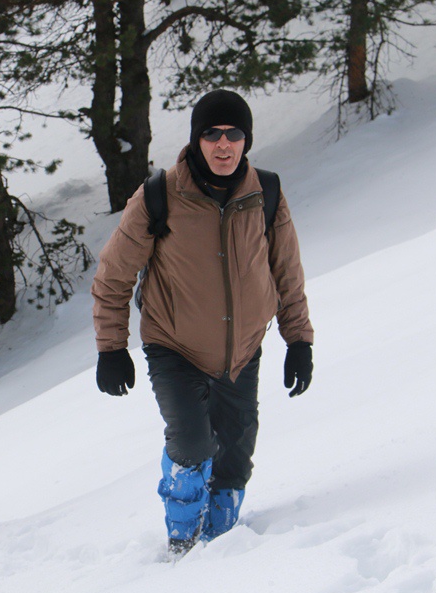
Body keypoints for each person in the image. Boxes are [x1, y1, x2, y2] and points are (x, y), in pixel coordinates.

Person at [91, 89, 314, 556]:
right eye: (212, 134)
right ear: (196, 140)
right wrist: (111, 348)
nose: (223, 144)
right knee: (193, 444)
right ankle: (182, 542)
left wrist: (299, 340)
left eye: (234, 134)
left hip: (243, 349)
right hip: (175, 346)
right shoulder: (159, 195)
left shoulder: (265, 193)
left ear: (246, 140)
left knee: (234, 456)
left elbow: (286, 272)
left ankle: (221, 545)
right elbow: (113, 275)